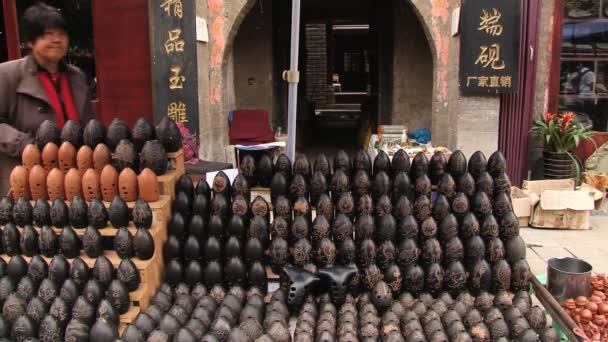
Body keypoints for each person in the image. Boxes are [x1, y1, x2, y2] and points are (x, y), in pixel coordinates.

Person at [0, 3, 95, 195]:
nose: (56, 40)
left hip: (74, 181)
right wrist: (27, 145)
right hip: (27, 184)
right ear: (31, 42)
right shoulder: (8, 75)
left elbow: (88, 125)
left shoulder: (76, 77)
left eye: (61, 34)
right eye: (47, 34)